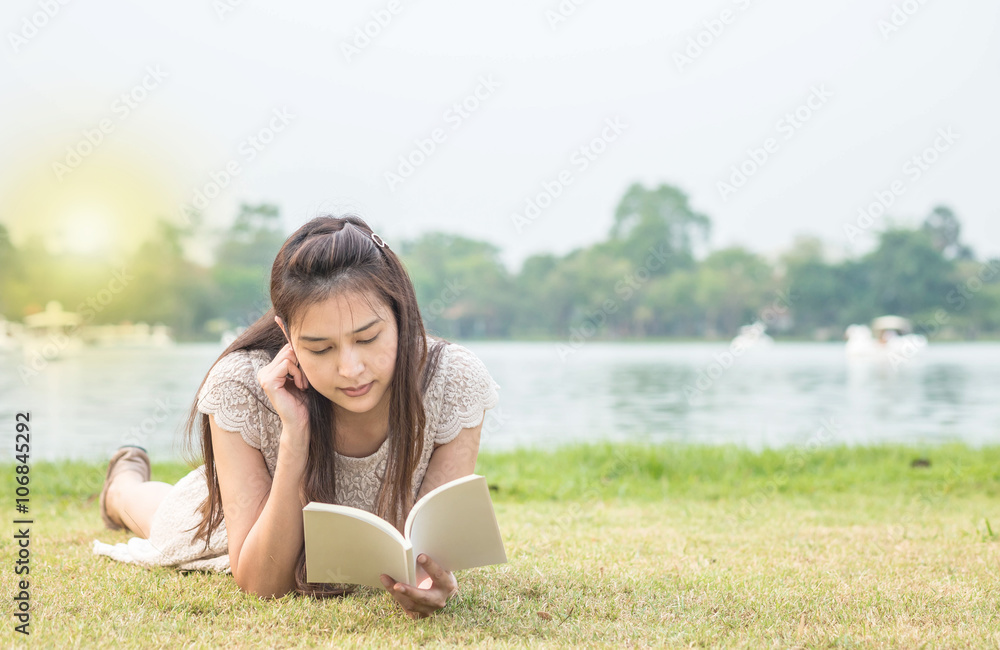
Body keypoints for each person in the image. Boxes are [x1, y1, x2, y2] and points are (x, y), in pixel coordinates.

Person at [93, 215, 501, 619]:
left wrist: (431, 585)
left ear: (400, 314)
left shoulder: (452, 380)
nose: (350, 368)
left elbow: (436, 547)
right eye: (320, 348)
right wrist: (295, 437)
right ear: (286, 335)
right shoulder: (243, 384)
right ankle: (121, 485)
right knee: (167, 519)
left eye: (368, 337)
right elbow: (260, 583)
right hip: (254, 526)